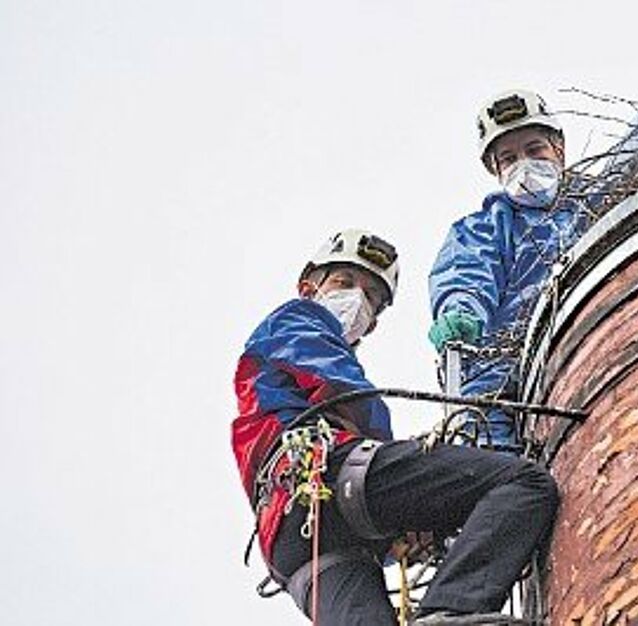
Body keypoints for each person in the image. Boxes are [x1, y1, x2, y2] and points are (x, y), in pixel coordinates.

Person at [231, 228, 559, 626]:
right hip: (329, 473)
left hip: (292, 541)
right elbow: (346, 394)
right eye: (344, 282)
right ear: (308, 287)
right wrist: (408, 486)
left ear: (371, 326)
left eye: (371, 296)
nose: (357, 299)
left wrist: (407, 521)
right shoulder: (298, 318)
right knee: (523, 483)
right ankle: (452, 609)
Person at [428, 89, 589, 451]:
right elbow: (466, 274)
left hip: (589, 336)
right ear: (495, 169)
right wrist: (461, 313)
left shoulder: (597, 204)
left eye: (535, 150)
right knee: (489, 455)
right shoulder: (484, 228)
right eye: (509, 158)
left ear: (558, 150)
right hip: (504, 367)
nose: (525, 164)